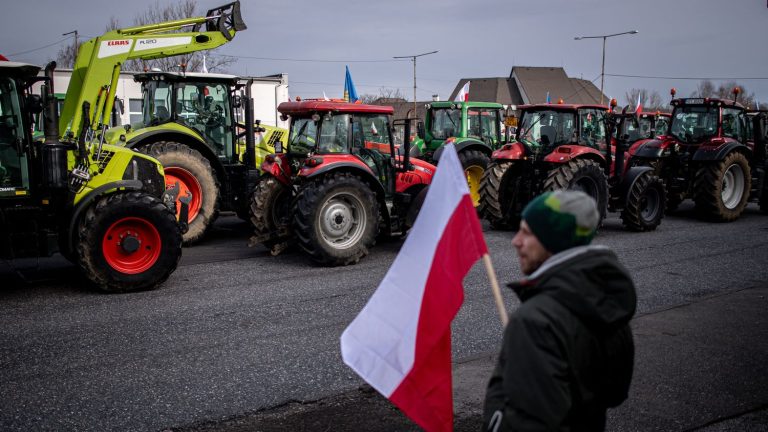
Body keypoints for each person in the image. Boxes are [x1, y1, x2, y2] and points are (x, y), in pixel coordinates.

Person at [483, 190, 637, 432]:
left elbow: (527, 424)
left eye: (527, 232)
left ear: (553, 241)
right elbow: (615, 392)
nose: (516, 241)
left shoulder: (535, 321)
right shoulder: (606, 300)